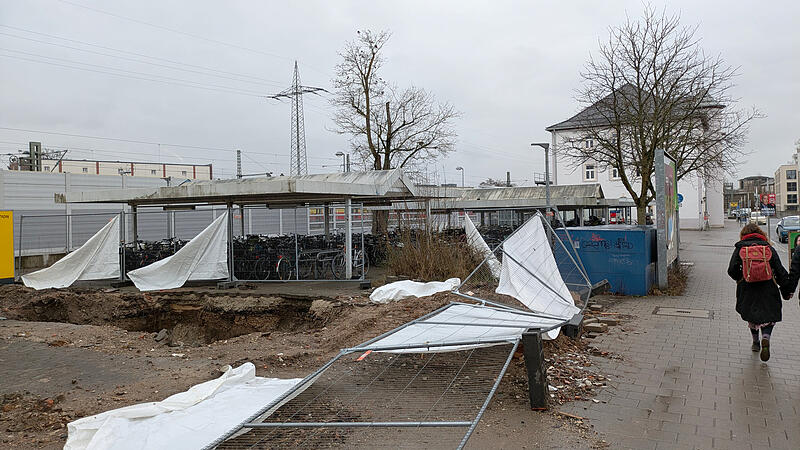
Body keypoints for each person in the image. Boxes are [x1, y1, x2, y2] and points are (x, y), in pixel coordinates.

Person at [727, 223, 790, 361]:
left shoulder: (740, 248)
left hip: (747, 289)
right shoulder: (769, 249)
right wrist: (787, 290)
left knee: (752, 316)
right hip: (768, 288)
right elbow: (780, 272)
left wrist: (741, 278)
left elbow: (731, 269)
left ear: (743, 235)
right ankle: (766, 338)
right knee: (768, 318)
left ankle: (756, 342)